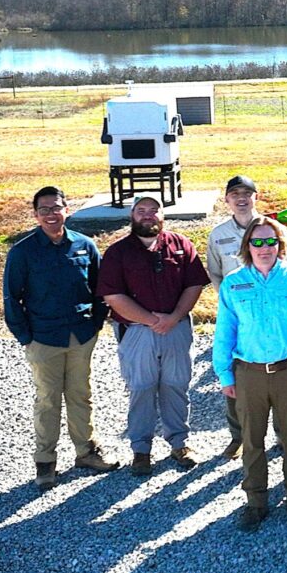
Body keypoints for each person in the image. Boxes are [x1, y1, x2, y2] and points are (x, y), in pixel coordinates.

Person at [213, 217, 287, 532]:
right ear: (248, 246)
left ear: (280, 244)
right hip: (248, 373)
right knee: (252, 439)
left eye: (270, 241)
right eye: (257, 242)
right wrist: (224, 374)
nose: (264, 248)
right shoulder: (234, 283)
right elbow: (224, 332)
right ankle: (256, 501)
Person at [3, 186, 119, 491]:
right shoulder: (23, 252)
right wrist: (25, 336)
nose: (51, 215)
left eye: (56, 208)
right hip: (43, 338)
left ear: (66, 210)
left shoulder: (85, 245)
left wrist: (94, 324)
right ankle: (46, 462)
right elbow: (12, 298)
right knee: (48, 400)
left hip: (80, 335)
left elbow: (100, 289)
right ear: (36, 214)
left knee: (81, 395)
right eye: (44, 210)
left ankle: (87, 452)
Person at [97, 194, 211, 477]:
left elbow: (194, 285)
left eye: (154, 210)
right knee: (142, 387)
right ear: (132, 216)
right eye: (141, 210)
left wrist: (172, 318)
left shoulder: (181, 245)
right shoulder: (117, 252)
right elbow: (113, 296)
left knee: (176, 384)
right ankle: (141, 448)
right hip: (137, 331)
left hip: (176, 328)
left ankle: (179, 442)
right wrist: (150, 319)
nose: (148, 215)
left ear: (163, 216)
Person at [207, 174, 287, 461]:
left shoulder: (276, 229)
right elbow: (215, 273)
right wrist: (236, 304)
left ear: (257, 197)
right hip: (240, 319)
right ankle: (240, 437)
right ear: (227, 199)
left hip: (276, 318)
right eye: (235, 194)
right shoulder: (218, 235)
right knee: (237, 378)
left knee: (282, 377)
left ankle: (283, 435)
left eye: (247, 193)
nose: (241, 199)